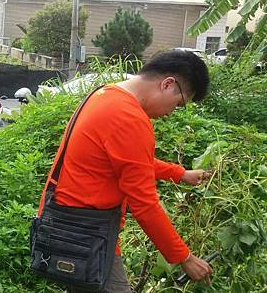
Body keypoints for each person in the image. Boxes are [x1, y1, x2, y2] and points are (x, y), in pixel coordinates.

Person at [39, 50, 213, 292]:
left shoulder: (105, 95)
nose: (171, 112)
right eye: (179, 103)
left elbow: (129, 161)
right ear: (167, 84)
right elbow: (144, 204)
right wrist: (184, 258)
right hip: (88, 234)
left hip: (68, 224)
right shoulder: (129, 117)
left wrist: (179, 173)